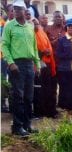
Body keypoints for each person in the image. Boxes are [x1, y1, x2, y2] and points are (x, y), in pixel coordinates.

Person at [2, 0, 40, 136]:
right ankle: (17, 127)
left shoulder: (30, 27)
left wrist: (38, 64)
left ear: (25, 11)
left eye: (19, 9)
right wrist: (11, 63)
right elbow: (4, 45)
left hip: (29, 64)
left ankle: (27, 125)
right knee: (18, 96)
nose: (16, 12)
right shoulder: (9, 26)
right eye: (15, 9)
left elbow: (34, 47)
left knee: (29, 97)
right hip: (16, 65)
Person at [32, 18, 57, 118]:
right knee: (38, 90)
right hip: (36, 65)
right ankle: (39, 112)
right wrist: (43, 53)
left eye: (37, 24)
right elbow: (31, 51)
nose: (36, 26)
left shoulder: (42, 33)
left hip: (47, 64)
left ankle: (48, 111)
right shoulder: (31, 34)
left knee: (48, 89)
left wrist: (47, 52)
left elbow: (48, 47)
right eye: (33, 24)